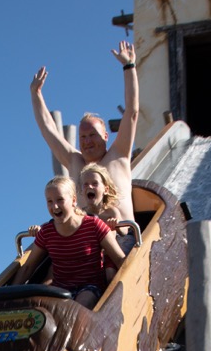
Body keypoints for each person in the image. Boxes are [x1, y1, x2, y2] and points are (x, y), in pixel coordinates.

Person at [29, 41, 139, 225]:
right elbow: (49, 130)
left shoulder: (118, 154)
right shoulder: (75, 161)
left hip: (123, 239)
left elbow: (132, 112)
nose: (87, 141)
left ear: (105, 136)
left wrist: (129, 67)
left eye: (92, 135)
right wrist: (36, 94)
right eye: (83, 137)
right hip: (86, 242)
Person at [19, 176, 126, 309]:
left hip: (90, 287)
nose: (55, 206)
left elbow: (119, 259)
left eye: (60, 200)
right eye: (50, 202)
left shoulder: (93, 225)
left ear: (74, 201)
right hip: (60, 290)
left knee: (78, 308)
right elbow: (28, 267)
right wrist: (10, 295)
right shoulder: (47, 232)